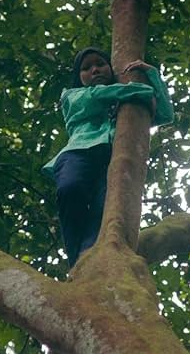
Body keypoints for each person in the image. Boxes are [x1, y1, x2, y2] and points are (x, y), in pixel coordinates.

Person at [42, 47, 173, 267]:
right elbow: (95, 97)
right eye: (86, 68)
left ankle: (89, 257)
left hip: (113, 160)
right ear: (79, 77)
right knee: (69, 188)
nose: (94, 70)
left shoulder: (125, 104)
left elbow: (165, 114)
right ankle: (77, 262)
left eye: (100, 64)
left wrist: (151, 74)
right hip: (78, 154)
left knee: (106, 209)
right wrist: (143, 91)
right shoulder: (72, 95)